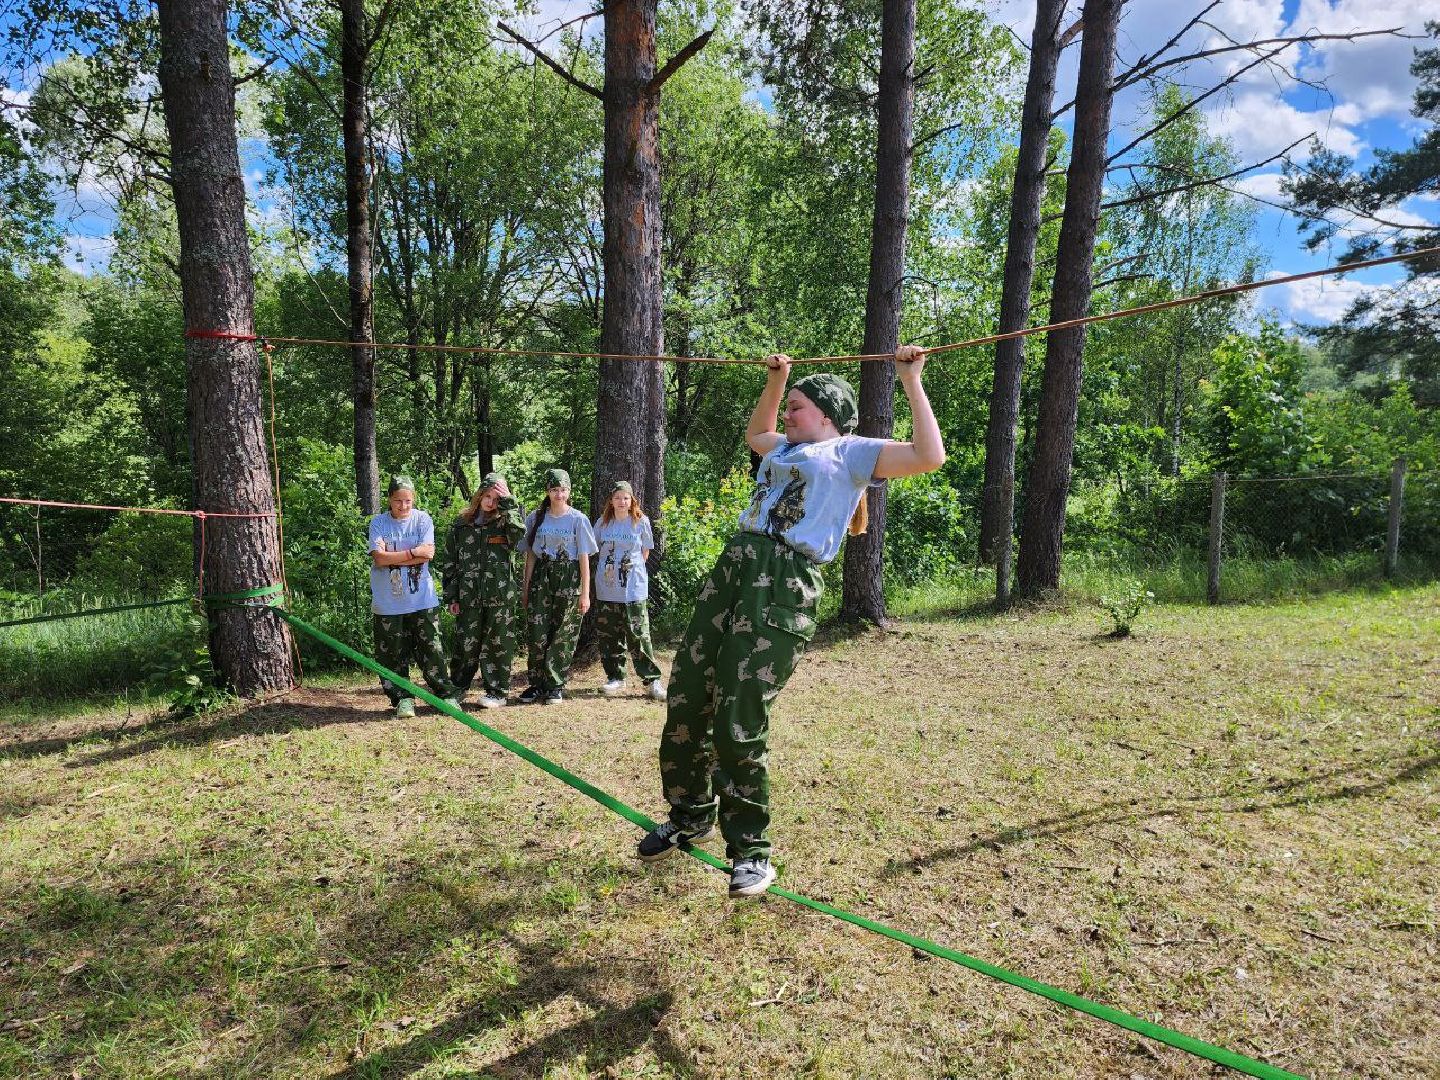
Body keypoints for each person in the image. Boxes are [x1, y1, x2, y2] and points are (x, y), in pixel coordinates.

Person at [636, 346, 945, 897]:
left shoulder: (851, 452)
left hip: (782, 582)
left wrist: (911, 380)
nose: (787, 417)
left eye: (797, 407)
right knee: (686, 695)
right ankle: (688, 817)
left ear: (826, 414)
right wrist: (777, 381)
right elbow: (757, 434)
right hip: (733, 567)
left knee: (739, 712)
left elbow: (928, 455)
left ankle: (751, 852)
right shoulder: (783, 447)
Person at [368, 475, 460, 718]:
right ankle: (402, 699)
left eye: (408, 500)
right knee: (392, 654)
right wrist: (411, 553)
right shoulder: (378, 523)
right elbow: (378, 558)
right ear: (389, 500)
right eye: (398, 501)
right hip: (388, 603)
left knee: (432, 648)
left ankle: (445, 695)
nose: (403, 506)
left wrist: (394, 556)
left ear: (414, 499)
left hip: (422, 600)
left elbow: (428, 554)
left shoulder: (422, 520)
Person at [442, 472, 525, 709]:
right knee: (465, 645)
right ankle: (457, 689)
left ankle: (497, 692)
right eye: (486, 496)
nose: (490, 502)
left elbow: (518, 539)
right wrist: (452, 596)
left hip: (499, 597)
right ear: (478, 496)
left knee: (499, 644)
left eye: (496, 498)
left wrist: (508, 501)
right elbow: (450, 563)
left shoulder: (506, 522)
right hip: (468, 597)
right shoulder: (461, 525)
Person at [517, 468, 597, 705]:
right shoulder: (535, 517)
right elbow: (530, 555)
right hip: (542, 578)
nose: (559, 494)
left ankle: (554, 685)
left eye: (563, 490)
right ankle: (536, 684)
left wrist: (585, 594)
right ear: (547, 491)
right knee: (537, 632)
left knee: (564, 633)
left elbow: (584, 558)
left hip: (568, 578)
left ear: (569, 491)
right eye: (554, 490)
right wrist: (526, 587)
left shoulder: (578, 519)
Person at [593, 480, 666, 702]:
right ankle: (616, 677)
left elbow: (645, 552)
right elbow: (593, 549)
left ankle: (652, 680)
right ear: (611, 501)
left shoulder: (640, 521)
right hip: (607, 589)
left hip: (633, 589)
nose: (621, 501)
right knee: (610, 636)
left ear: (632, 500)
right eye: (617, 497)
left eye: (625, 497)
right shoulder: (603, 523)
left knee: (639, 634)